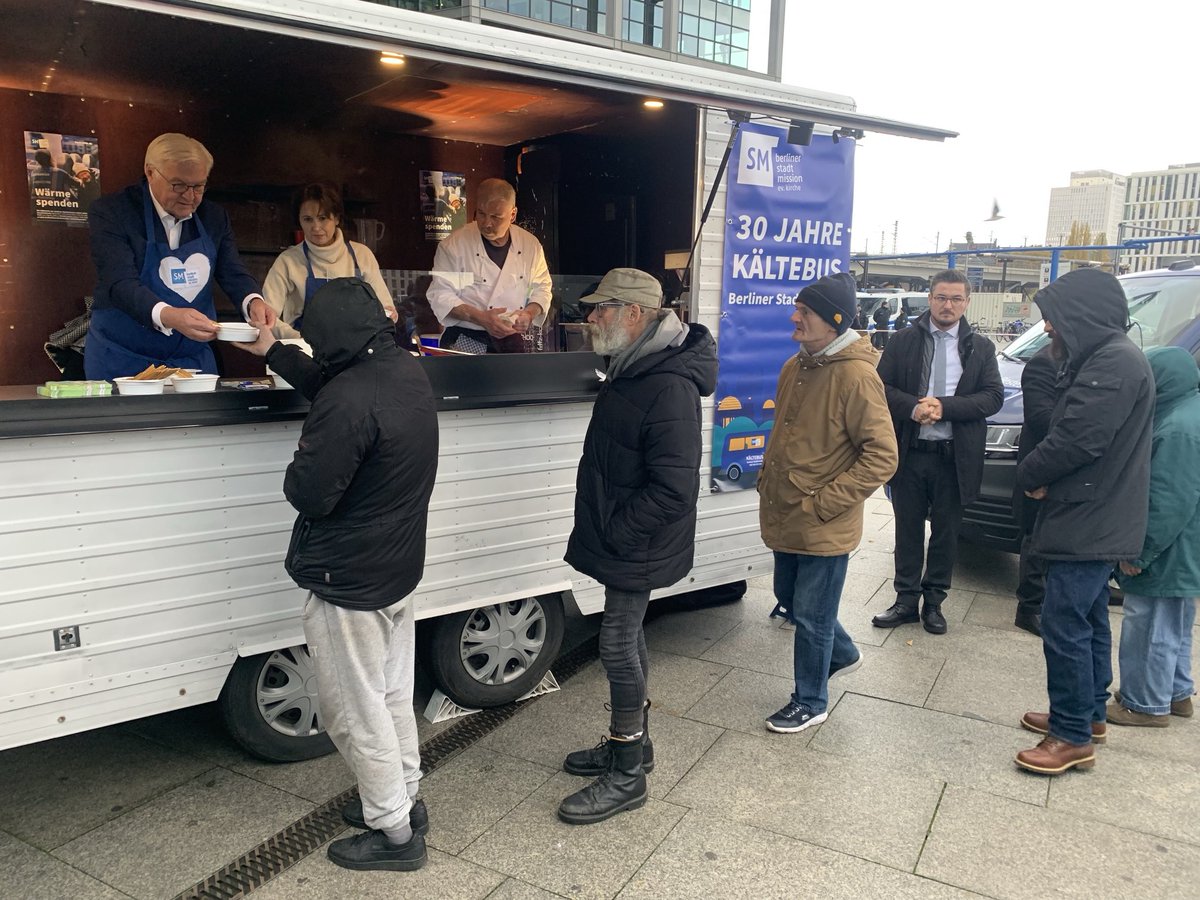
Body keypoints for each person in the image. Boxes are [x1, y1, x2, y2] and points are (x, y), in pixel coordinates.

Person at [234, 277, 439, 870]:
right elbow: (337, 386)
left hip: (347, 579)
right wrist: (274, 351)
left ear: (330, 340)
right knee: (392, 695)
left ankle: (394, 835)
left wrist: (303, 455)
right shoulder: (403, 371)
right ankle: (404, 798)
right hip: (396, 568)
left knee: (354, 713)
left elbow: (309, 493)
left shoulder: (349, 398)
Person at [558, 268, 716, 825]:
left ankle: (627, 773)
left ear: (634, 314)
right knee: (625, 638)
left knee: (616, 642)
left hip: (638, 540)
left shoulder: (667, 384)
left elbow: (674, 488)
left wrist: (618, 533)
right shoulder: (635, 365)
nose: (591, 318)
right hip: (626, 536)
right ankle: (636, 746)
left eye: (601, 308)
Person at [1014, 268, 1154, 775]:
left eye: (1054, 317)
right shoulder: (1111, 356)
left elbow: (1077, 438)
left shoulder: (1111, 362)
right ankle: (1088, 713)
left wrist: (1029, 474)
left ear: (1082, 315)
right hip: (1096, 514)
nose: (1048, 327)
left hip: (1089, 517)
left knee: (1064, 623)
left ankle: (1071, 735)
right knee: (1089, 617)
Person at [757, 273, 898, 733]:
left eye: (805, 311)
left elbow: (882, 456)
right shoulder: (795, 366)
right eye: (797, 308)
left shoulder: (857, 376)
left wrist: (824, 504)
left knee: (813, 618)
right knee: (790, 600)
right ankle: (843, 653)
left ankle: (811, 701)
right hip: (787, 512)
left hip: (823, 520)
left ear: (834, 321)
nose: (794, 317)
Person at [84, 133, 276, 380]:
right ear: (150, 172)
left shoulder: (214, 217)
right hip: (123, 357)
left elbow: (232, 271)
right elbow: (119, 282)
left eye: (198, 186)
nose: (190, 196)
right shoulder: (113, 212)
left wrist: (253, 301)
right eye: (179, 185)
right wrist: (170, 316)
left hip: (191, 361)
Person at [873, 270, 1003, 635]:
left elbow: (993, 396)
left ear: (967, 302)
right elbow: (880, 387)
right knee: (907, 530)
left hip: (954, 456)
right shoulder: (903, 341)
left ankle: (934, 603)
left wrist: (944, 407)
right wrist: (914, 408)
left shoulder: (981, 347)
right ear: (930, 299)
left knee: (946, 533)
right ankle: (905, 600)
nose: (948, 305)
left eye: (956, 299)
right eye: (942, 298)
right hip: (912, 451)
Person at [1108, 347, 1200, 727]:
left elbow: (1167, 501)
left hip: (1170, 550)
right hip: (1186, 548)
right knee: (1175, 624)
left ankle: (1144, 703)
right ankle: (1176, 693)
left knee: (1149, 624)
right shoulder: (1188, 412)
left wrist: (1139, 552)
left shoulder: (1177, 427)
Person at [427, 178, 551, 353]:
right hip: (465, 338)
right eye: (481, 214)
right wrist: (480, 318)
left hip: (511, 340)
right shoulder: (453, 245)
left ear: (512, 215)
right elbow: (440, 294)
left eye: (495, 217)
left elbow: (542, 288)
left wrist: (529, 314)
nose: (486, 223)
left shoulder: (530, 245)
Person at [261, 183, 397, 340]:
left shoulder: (362, 255)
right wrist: (298, 339)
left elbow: (385, 309)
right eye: (308, 219)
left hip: (356, 349)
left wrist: (388, 316)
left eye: (323, 218)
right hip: (306, 348)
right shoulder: (288, 261)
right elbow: (267, 317)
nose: (316, 227)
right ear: (299, 221)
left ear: (337, 218)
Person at [1012, 344, 1059, 637]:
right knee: (1036, 537)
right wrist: (1086, 421)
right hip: (1042, 463)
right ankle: (1030, 607)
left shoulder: (1086, 359)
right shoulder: (1045, 362)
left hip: (1070, 466)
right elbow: (1041, 418)